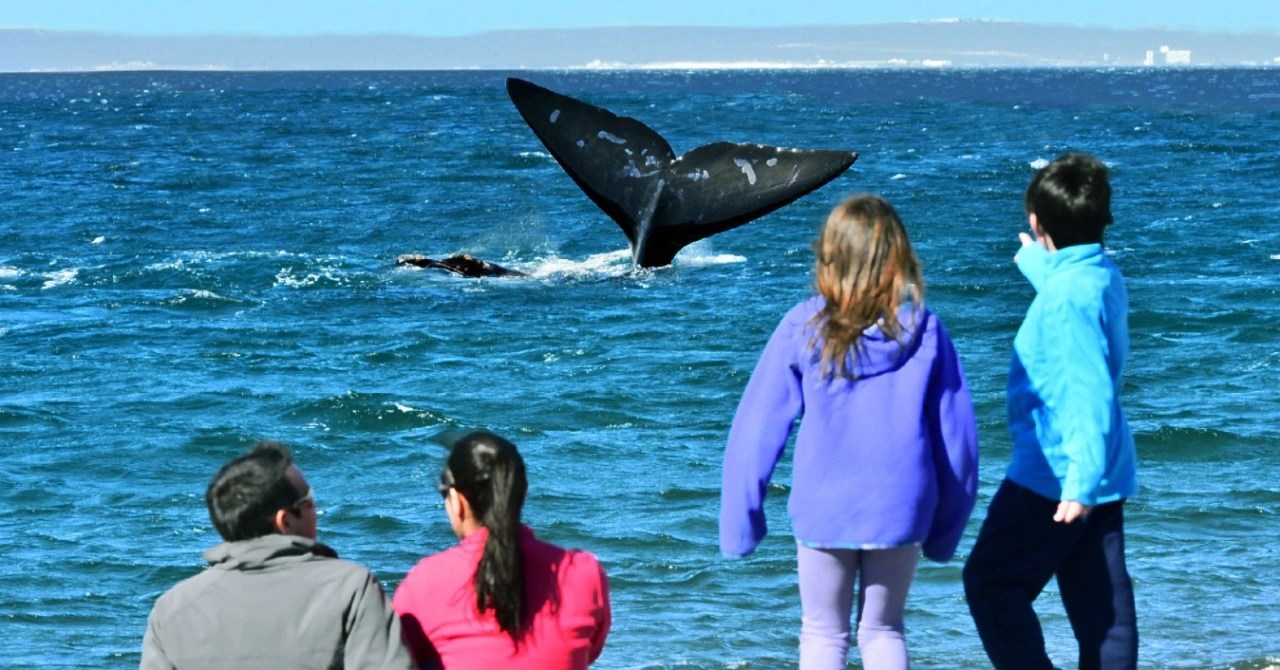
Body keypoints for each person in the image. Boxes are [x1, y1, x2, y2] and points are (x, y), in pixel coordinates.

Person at [719, 195, 979, 670]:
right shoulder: (926, 331)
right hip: (901, 507)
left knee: (823, 634)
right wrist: (946, 531)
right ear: (898, 258)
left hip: (826, 505)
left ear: (828, 256)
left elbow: (755, 431)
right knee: (884, 631)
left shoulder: (803, 326)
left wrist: (742, 524)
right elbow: (958, 446)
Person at [962, 152, 1139, 669]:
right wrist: (1042, 267)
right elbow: (1073, 290)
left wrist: (1078, 483)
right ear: (1103, 219)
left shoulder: (1067, 299)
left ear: (1035, 222)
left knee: (991, 582)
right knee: (1100, 609)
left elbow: (1088, 391)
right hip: (1102, 466)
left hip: (1058, 475)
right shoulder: (1100, 275)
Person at [141, 440, 414, 669]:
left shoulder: (173, 609)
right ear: (285, 520)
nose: (315, 510)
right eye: (309, 500)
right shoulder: (350, 588)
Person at [393, 431, 611, 669]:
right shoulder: (582, 571)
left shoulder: (425, 581)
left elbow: (397, 658)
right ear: (523, 492)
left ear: (457, 501)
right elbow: (588, 650)